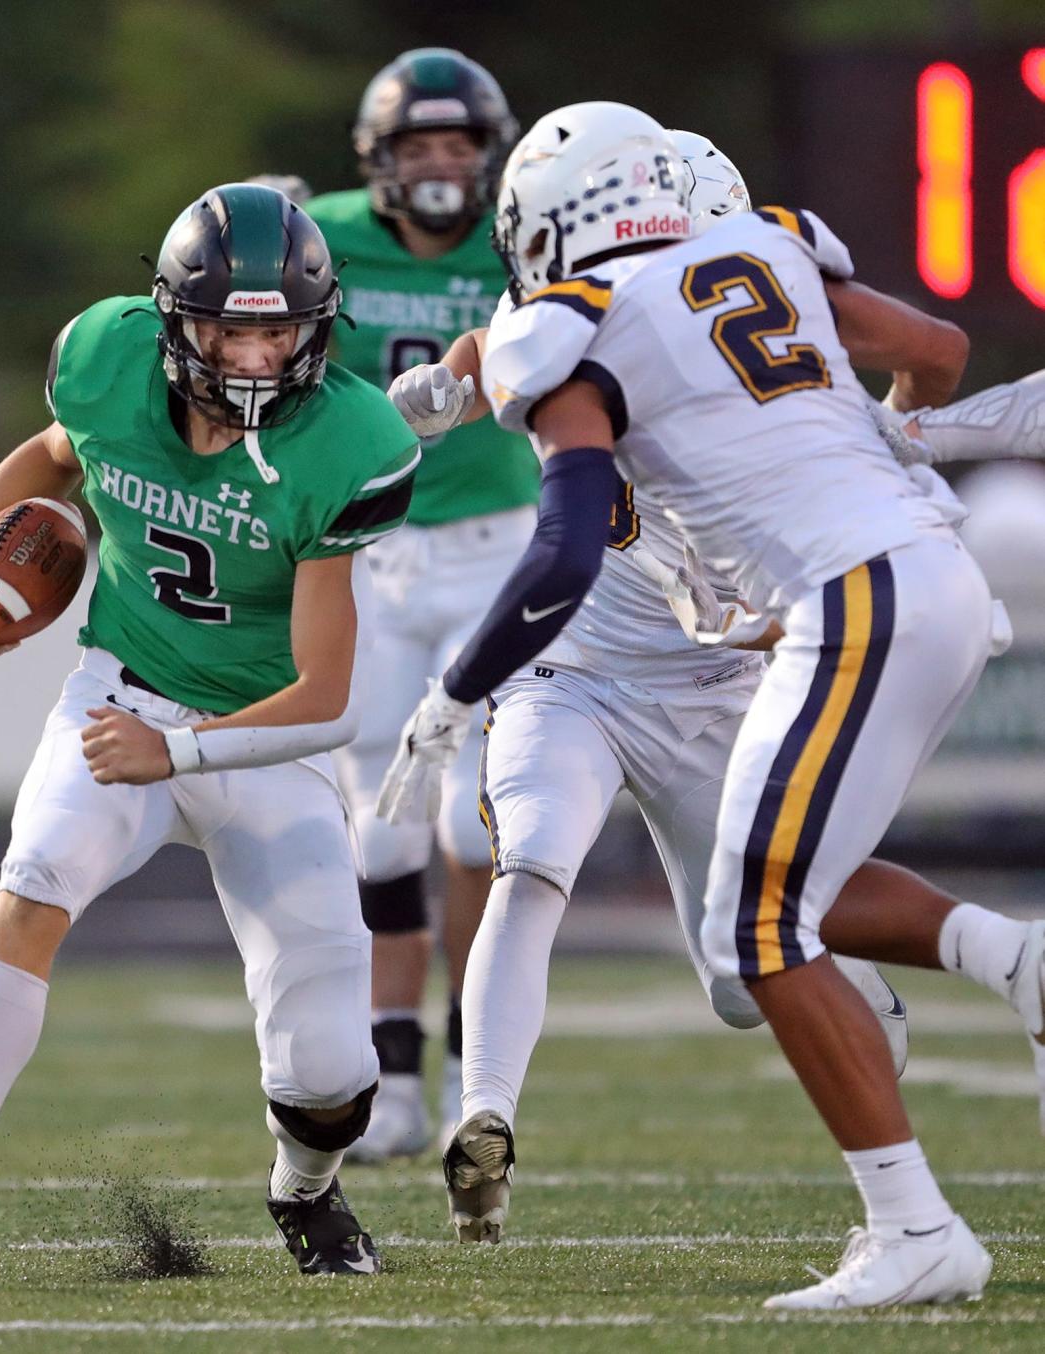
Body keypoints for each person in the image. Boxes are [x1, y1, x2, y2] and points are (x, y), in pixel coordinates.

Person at [379, 103, 1044, 1309]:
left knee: (751, 927)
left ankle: (915, 1226)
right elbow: (940, 351)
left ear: (544, 226)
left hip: (844, 600)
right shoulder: (772, 243)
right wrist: (866, 423)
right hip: (922, 577)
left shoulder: (567, 321)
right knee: (775, 903)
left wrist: (457, 684)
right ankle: (1008, 991)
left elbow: (569, 541)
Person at [0, 183, 420, 1277]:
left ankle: (305, 1193)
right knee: (35, 879)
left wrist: (179, 750)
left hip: (266, 738)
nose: (256, 356)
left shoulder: (349, 438)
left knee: (327, 1067)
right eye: (230, 327)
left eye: (277, 330)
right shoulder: (105, 359)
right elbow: (55, 453)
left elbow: (326, 693)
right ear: (174, 321)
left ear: (314, 326)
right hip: (121, 694)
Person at [305, 48, 540, 1160]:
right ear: (380, 160)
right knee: (384, 830)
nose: (442, 165)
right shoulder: (318, 231)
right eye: (420, 146)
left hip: (499, 552)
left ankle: (472, 1082)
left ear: (489, 158)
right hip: (376, 555)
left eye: (458, 145)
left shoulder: (523, 241)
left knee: (470, 825)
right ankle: (392, 1080)